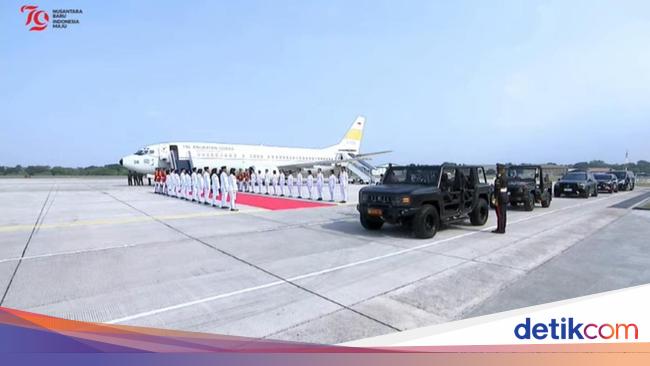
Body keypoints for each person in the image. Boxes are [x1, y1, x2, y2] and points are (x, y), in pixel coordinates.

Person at [493, 163, 508, 234]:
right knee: (503, 214)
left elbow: (497, 189)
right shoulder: (505, 177)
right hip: (504, 196)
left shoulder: (500, 178)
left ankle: (500, 229)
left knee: (500, 214)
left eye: (498, 169)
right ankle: (502, 228)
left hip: (500, 197)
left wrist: (496, 199)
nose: (497, 170)